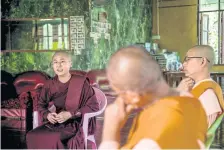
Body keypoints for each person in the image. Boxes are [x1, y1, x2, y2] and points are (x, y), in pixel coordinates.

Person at [99, 45, 207, 149]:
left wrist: (110, 134)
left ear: (133, 96)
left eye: (119, 93)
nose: (119, 98)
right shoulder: (193, 102)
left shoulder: (150, 142)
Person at [26, 51, 99, 149]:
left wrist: (70, 114)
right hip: (58, 122)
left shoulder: (81, 82)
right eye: (55, 62)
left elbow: (94, 106)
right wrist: (47, 114)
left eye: (62, 61)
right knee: (32, 135)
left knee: (53, 138)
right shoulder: (50, 84)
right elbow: (40, 104)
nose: (58, 65)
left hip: (78, 122)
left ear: (70, 64)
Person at [177, 45, 224, 127]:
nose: (183, 64)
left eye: (188, 59)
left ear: (203, 62)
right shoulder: (199, 88)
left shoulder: (208, 95)